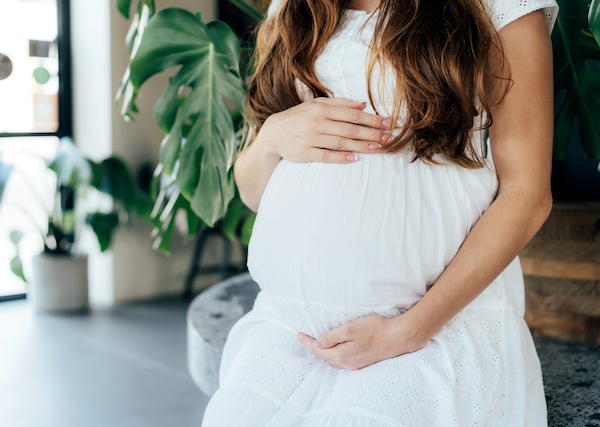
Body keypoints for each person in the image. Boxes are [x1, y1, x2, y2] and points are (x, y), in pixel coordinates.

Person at [202, 0, 559, 424]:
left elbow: (528, 193)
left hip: (433, 332)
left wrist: (411, 330)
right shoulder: (297, 7)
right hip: (285, 335)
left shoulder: (500, 6)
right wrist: (271, 139)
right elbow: (253, 192)